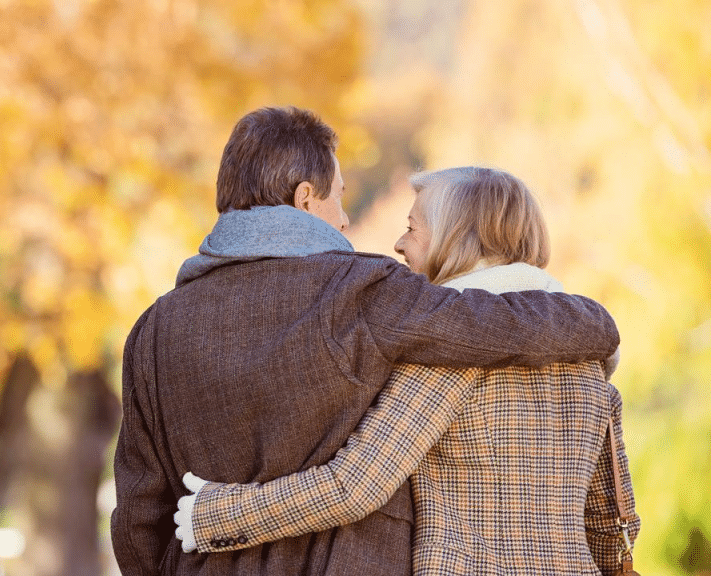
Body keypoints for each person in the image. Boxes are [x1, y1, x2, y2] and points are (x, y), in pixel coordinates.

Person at [111, 107, 621, 576]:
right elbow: (493, 323)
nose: (347, 218)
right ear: (305, 197)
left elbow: (138, 512)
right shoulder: (364, 292)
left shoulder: (152, 331)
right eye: (339, 196)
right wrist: (596, 324)